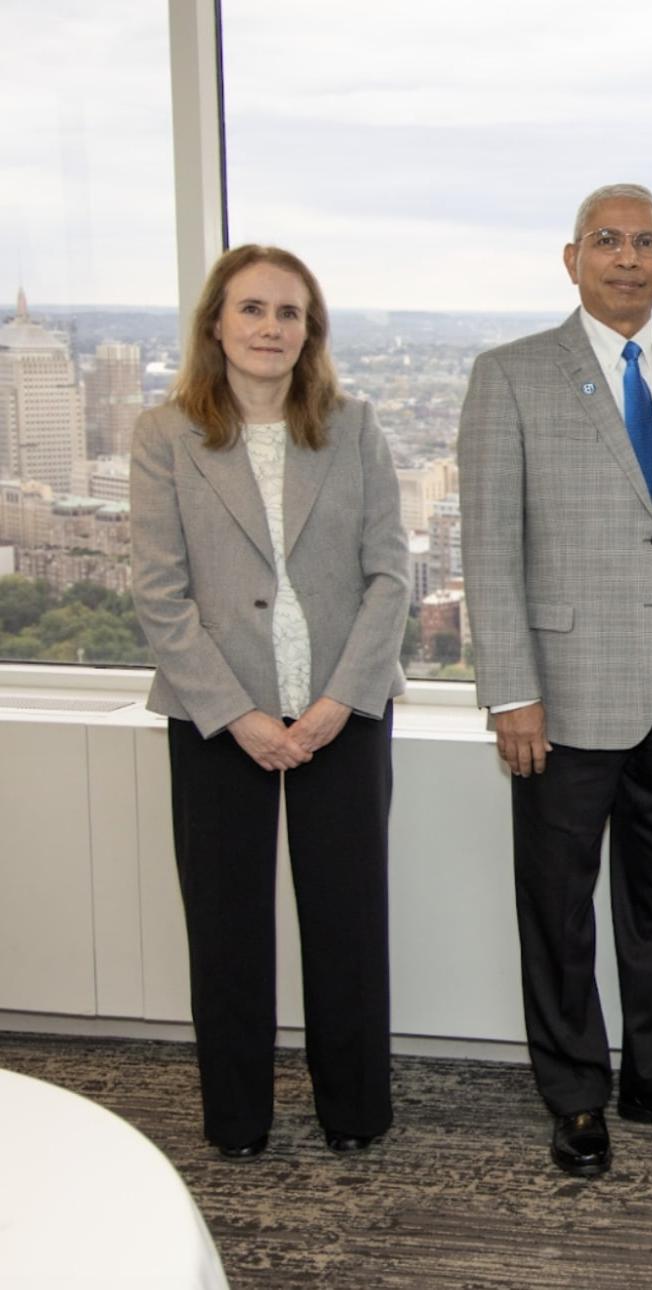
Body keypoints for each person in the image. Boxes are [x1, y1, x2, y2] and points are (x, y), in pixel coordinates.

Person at [458, 182, 652, 1178]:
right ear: (572, 256)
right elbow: (488, 547)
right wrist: (509, 689)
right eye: (608, 241)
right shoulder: (511, 376)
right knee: (558, 904)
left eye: (647, 243)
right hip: (562, 695)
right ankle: (576, 1093)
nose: (628, 258)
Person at [130, 244, 408, 1160]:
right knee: (227, 926)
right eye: (252, 310)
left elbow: (389, 577)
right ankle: (238, 1120)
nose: (270, 328)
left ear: (310, 332)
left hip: (342, 711)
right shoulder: (164, 435)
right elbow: (159, 596)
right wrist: (239, 713)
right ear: (217, 322)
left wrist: (339, 700)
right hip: (218, 716)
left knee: (348, 922)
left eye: (289, 314)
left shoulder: (354, 425)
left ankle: (356, 1113)